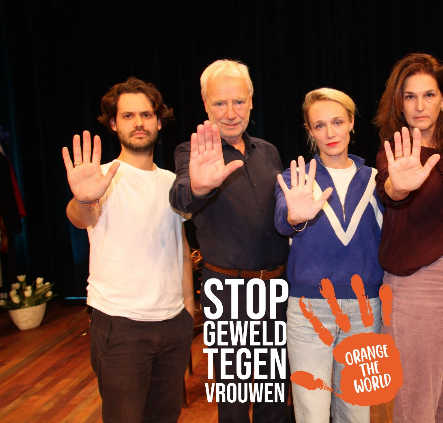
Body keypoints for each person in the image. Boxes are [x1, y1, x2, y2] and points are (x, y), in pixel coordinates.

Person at [62, 77, 194, 423]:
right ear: (113, 123)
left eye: (146, 115)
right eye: (128, 116)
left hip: (173, 324)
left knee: (165, 417)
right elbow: (80, 217)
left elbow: (180, 246)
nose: (138, 123)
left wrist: (188, 309)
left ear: (159, 121)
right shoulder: (101, 178)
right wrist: (84, 198)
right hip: (120, 326)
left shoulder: (171, 182)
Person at [169, 60, 290, 423]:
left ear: (251, 101)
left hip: (275, 288)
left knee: (273, 394)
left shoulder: (269, 151)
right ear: (206, 105)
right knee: (234, 398)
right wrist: (199, 187)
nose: (231, 113)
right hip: (227, 291)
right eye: (220, 103)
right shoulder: (191, 152)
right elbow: (181, 197)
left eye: (238, 101)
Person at [373, 53, 443, 422]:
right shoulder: (396, 152)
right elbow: (390, 189)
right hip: (419, 286)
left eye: (429, 95)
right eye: (410, 96)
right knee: (417, 410)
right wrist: (399, 186)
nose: (420, 106)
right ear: (399, 104)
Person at [274, 88, 384, 422]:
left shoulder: (376, 179)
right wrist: (294, 217)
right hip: (309, 310)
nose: (330, 132)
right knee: (312, 413)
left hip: (364, 310)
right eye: (319, 125)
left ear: (352, 122)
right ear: (309, 131)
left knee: (356, 412)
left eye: (337, 122)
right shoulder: (296, 179)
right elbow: (282, 220)